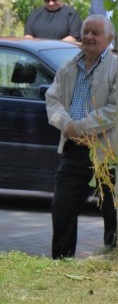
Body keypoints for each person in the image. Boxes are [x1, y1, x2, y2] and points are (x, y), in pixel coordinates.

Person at [46, 14, 117, 259]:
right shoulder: (68, 66)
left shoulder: (116, 67)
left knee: (113, 211)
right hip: (74, 150)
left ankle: (112, 263)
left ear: (109, 38)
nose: (88, 37)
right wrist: (67, 125)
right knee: (62, 208)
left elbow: (115, 110)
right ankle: (61, 261)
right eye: (86, 31)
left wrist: (81, 127)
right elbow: (52, 99)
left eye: (95, 33)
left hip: (109, 153)